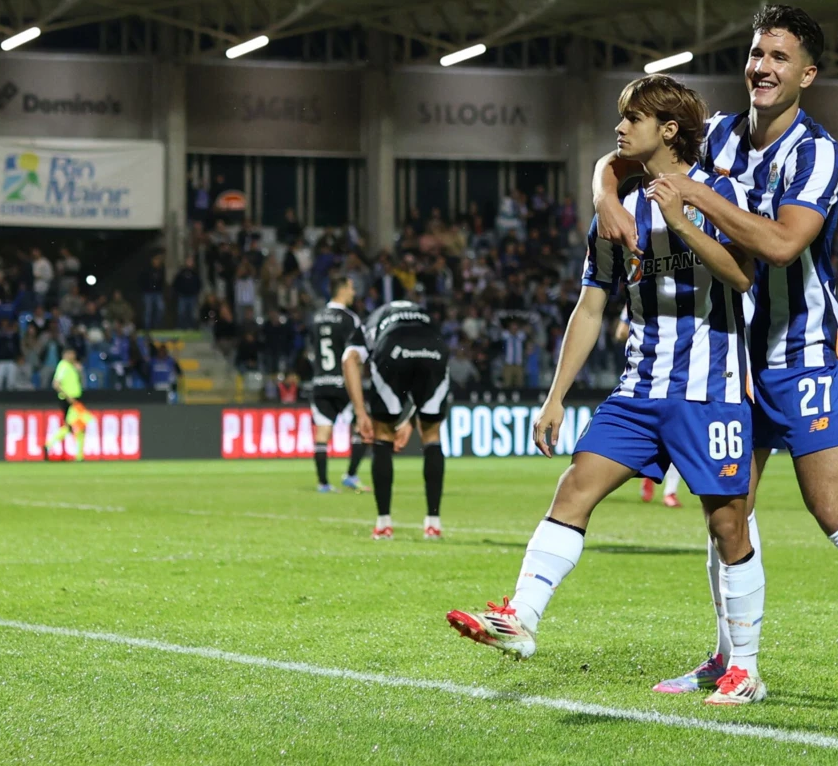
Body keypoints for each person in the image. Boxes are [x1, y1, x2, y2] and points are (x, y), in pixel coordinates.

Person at [593, 5, 838, 706]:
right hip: (729, 354)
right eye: (757, 53)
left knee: (833, 506)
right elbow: (629, 150)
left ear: (807, 74)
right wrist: (604, 189)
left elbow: (783, 245)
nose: (763, 67)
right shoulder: (719, 132)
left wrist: (695, 193)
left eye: (780, 57)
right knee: (726, 508)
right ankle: (729, 658)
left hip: (800, 350)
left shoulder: (817, 152)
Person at [447, 75, 765, 706]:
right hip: (639, 389)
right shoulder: (617, 210)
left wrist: (682, 222)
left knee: (729, 526)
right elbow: (591, 307)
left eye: (633, 118)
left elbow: (743, 275)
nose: (619, 128)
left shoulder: (722, 192)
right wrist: (556, 395)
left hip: (712, 389)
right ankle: (521, 618)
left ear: (667, 130)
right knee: (574, 488)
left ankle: (745, 669)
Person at [343, 300, 450, 540]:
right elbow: (424, 362)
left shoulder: (372, 320)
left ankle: (384, 524)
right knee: (431, 434)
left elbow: (349, 359)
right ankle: (433, 524)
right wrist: (411, 421)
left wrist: (361, 413)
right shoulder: (425, 316)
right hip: (433, 348)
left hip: (392, 346)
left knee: (383, 434)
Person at [613, 303, 684, 508]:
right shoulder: (680, 299)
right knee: (670, 435)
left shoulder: (637, 298)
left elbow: (620, 333)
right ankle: (655, 475)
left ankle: (665, 487)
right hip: (660, 377)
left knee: (672, 435)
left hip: (657, 377)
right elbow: (620, 333)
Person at [308, 276, 368, 494]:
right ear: (341, 290)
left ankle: (323, 484)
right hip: (344, 383)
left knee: (323, 432)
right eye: (351, 288)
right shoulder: (349, 318)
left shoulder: (316, 317)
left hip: (320, 382)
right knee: (362, 425)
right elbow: (356, 354)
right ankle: (351, 475)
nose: (354, 293)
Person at [44, 347, 91, 461]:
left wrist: (79, 371)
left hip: (75, 400)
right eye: (71, 354)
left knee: (77, 426)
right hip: (69, 400)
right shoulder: (63, 366)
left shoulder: (71, 366)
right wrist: (68, 397)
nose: (73, 356)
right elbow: (56, 384)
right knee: (75, 426)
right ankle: (49, 445)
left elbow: (79, 383)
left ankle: (78, 455)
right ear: (65, 354)